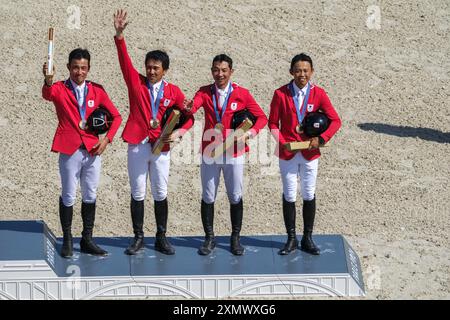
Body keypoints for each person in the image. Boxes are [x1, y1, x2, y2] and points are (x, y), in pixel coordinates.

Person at [113, 9, 194, 255]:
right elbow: (124, 60)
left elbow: (189, 118)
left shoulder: (174, 92)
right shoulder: (135, 82)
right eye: (148, 67)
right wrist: (119, 35)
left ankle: (161, 237)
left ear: (165, 70)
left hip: (162, 146)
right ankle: (138, 237)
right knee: (138, 191)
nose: (151, 71)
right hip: (138, 143)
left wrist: (179, 133)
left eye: (156, 68)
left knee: (160, 191)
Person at [42, 48, 122, 258]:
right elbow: (47, 94)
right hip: (69, 149)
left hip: (92, 149)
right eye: (75, 67)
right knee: (68, 194)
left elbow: (117, 117)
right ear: (68, 67)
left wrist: (106, 140)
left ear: (88, 69)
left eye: (83, 68)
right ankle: (67, 239)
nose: (79, 72)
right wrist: (48, 80)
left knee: (90, 194)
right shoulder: (59, 88)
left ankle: (87, 239)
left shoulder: (97, 90)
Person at [184, 54, 268, 256]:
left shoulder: (242, 94)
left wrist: (249, 134)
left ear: (231, 71)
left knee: (235, 195)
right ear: (211, 70)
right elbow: (194, 105)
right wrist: (189, 108)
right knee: (208, 194)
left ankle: (235, 238)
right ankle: (209, 238)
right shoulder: (205, 91)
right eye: (215, 70)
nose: (219, 74)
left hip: (234, 152)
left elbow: (261, 118)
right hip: (210, 152)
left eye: (223, 70)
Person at [268, 53, 341, 255]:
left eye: (306, 71)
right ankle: (291, 239)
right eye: (298, 70)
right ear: (291, 72)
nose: (302, 74)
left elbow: (336, 121)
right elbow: (272, 123)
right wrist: (282, 143)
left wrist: (322, 138)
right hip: (288, 153)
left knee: (308, 193)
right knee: (290, 194)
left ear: (312, 72)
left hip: (310, 152)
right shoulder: (280, 94)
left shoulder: (319, 94)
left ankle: (308, 238)